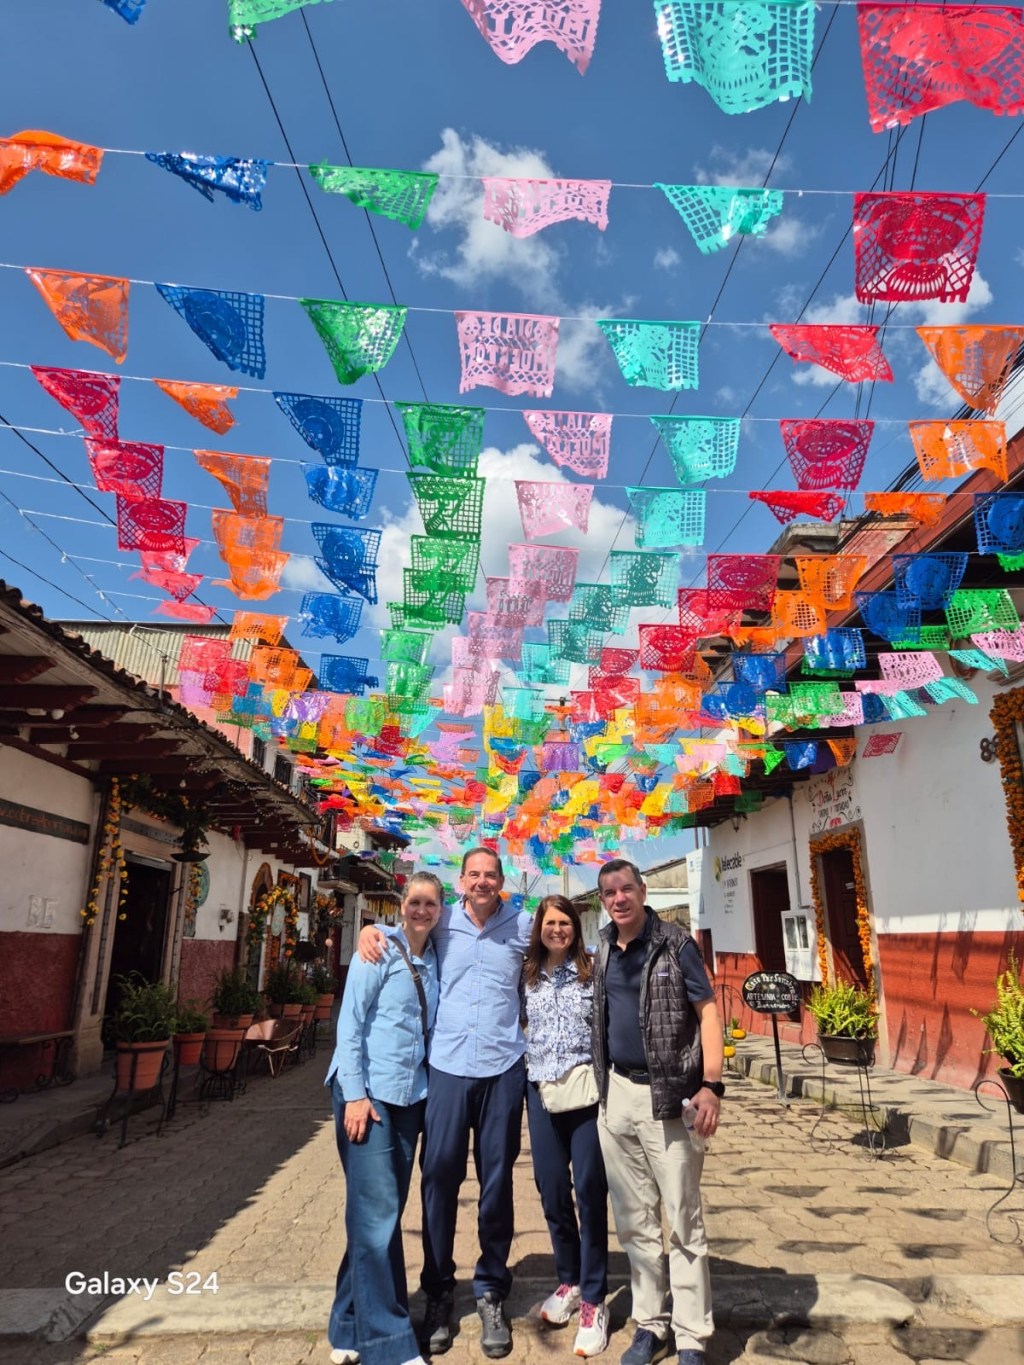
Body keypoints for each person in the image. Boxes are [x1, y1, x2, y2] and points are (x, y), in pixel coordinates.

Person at [359, 847, 533, 1359]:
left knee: (497, 1183)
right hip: (447, 1070)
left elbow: (564, 944)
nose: (482, 882)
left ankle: (492, 1290)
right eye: (473, 874)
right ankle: (437, 1291)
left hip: (503, 1069)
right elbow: (405, 930)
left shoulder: (522, 926)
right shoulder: (442, 922)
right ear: (461, 881)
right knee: (438, 1179)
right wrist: (371, 930)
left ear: (501, 880)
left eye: (490, 875)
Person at [591, 859, 724, 1365]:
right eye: (609, 892)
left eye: (626, 889)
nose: (619, 899)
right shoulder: (603, 946)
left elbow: (708, 1013)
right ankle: (650, 1323)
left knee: (683, 1219)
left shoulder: (675, 943)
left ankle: (691, 1335)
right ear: (602, 900)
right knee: (634, 1220)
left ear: (643, 891)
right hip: (618, 1095)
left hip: (671, 1098)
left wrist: (712, 1086)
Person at [325, 872, 445, 1365]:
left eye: (430, 903)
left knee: (377, 1214)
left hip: (411, 1097)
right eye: (414, 901)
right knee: (376, 1215)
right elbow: (349, 1024)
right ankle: (388, 1344)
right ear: (401, 905)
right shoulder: (376, 951)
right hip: (368, 1096)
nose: (422, 910)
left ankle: (347, 1325)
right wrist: (354, 1095)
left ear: (440, 910)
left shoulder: (438, 955)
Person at [522, 895, 609, 1358]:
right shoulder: (527, 974)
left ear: (576, 927)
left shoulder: (593, 970)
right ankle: (569, 1279)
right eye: (549, 923)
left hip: (587, 1093)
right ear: (539, 928)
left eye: (565, 923)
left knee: (590, 1190)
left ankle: (594, 1297)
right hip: (542, 1093)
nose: (557, 930)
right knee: (551, 1189)